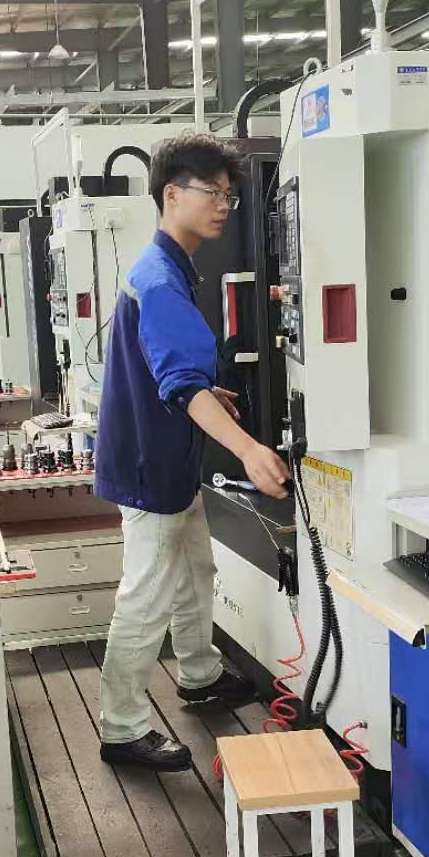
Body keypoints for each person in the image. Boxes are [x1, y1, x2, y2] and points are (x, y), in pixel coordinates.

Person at [93, 131, 292, 772]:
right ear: (171, 194)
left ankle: (200, 674)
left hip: (170, 458)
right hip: (151, 468)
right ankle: (122, 728)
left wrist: (209, 394)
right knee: (146, 594)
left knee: (196, 571)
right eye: (212, 192)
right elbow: (179, 383)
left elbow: (171, 373)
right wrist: (250, 451)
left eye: (229, 195)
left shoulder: (172, 268)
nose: (224, 206)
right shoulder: (159, 279)